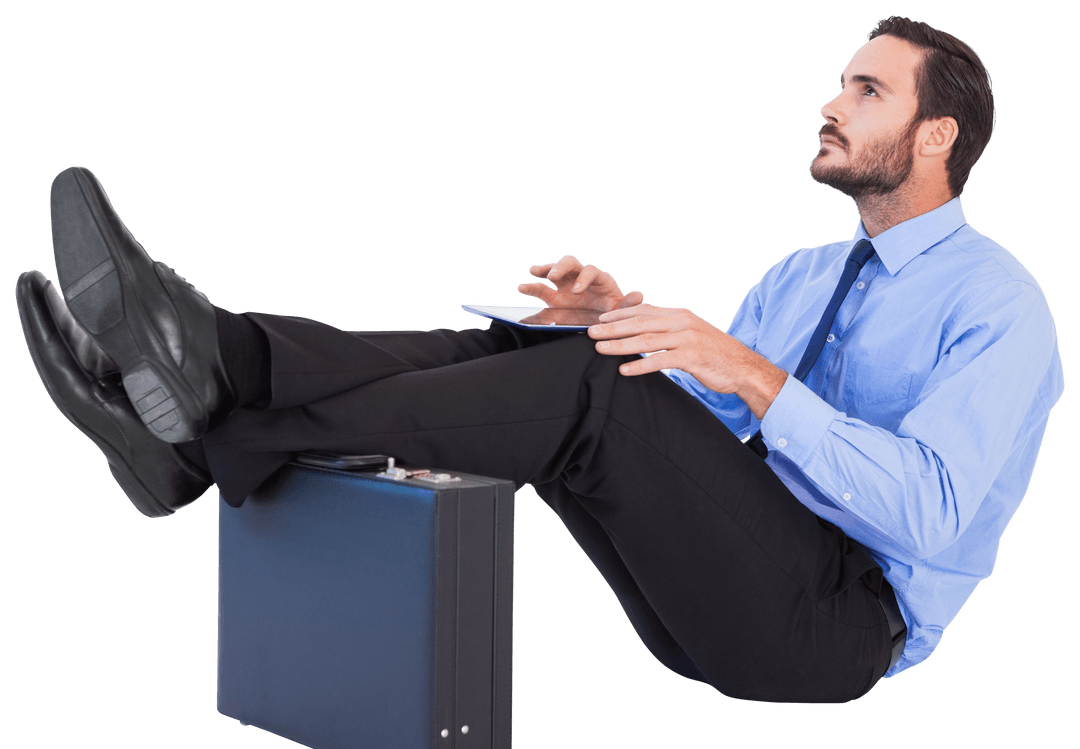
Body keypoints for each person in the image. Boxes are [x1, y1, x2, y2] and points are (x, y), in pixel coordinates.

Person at [15, 16, 1063, 705]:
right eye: (841, 83)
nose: (832, 104)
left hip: (833, 626)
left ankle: (201, 439)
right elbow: (713, 452)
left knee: (590, 388)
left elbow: (932, 513)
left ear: (938, 137)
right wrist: (622, 317)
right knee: (553, 346)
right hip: (720, 592)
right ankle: (220, 351)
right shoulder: (801, 273)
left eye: (868, 90)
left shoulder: (999, 305)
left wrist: (754, 375)